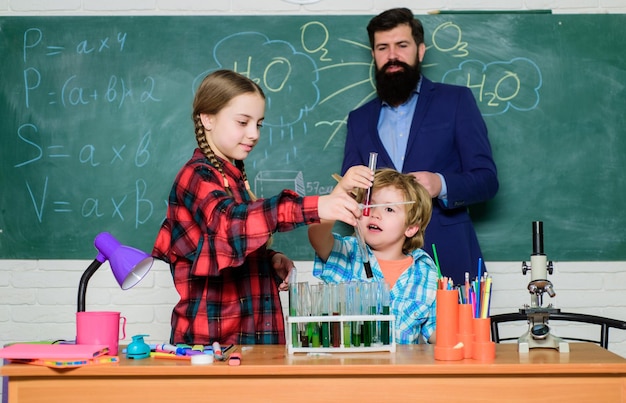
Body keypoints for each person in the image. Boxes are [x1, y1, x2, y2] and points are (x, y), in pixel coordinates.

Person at [152, 69, 362, 346]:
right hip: (213, 348)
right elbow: (231, 225)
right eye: (242, 122)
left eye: (259, 124)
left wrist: (267, 259)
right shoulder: (197, 176)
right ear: (208, 118)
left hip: (256, 341)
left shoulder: (232, 177)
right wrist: (317, 205)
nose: (253, 134)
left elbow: (222, 247)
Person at [342, 8, 499, 283]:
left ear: (421, 50)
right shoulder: (359, 120)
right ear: (373, 55)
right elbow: (350, 191)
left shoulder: (456, 102)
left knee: (456, 328)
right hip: (378, 270)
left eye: (402, 45)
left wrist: (440, 184)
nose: (392, 56)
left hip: (449, 259)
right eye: (383, 47)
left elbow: (487, 180)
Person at [308, 167, 438, 344]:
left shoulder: (424, 270)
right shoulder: (348, 253)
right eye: (369, 205)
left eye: (389, 210)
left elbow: (436, 332)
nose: (375, 214)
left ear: (411, 228)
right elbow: (317, 234)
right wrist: (342, 189)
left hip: (400, 370)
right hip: (349, 368)